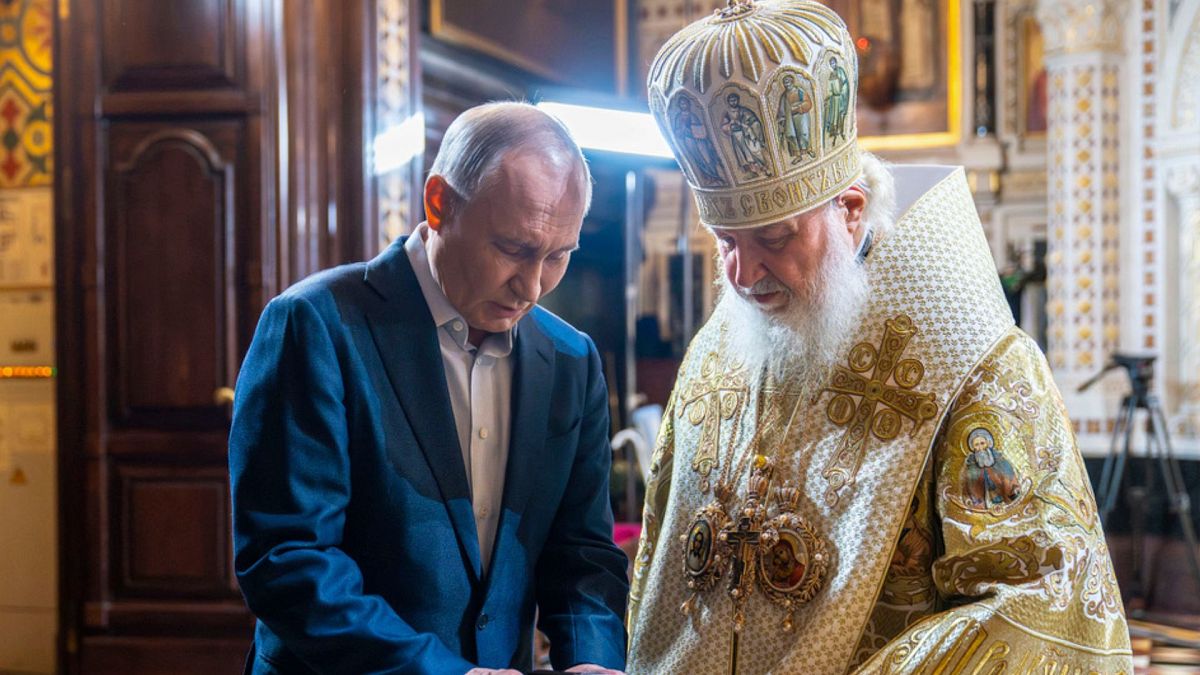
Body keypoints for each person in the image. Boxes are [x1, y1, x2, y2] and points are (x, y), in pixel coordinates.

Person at [631, 1, 1132, 672]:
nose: (743, 275)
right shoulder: (714, 354)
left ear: (850, 208)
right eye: (725, 242)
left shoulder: (973, 365)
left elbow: (1044, 603)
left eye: (774, 238)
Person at [229, 102, 628, 675]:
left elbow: (583, 553)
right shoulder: (314, 324)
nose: (533, 286)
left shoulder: (570, 358)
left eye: (559, 256)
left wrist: (592, 658)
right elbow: (288, 560)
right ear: (439, 202)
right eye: (513, 249)